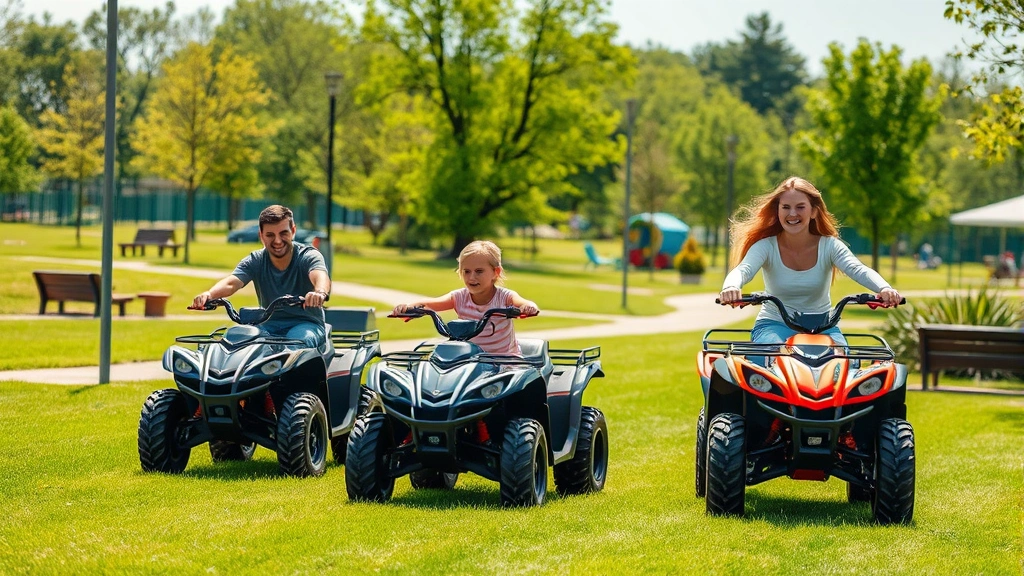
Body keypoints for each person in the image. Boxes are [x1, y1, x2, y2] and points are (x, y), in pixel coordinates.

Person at [719, 177, 901, 360]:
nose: (792, 214)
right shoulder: (766, 246)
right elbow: (743, 269)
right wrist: (731, 287)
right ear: (777, 211)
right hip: (773, 325)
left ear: (814, 211)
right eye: (786, 207)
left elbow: (858, 269)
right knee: (772, 361)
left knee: (844, 363)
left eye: (800, 207)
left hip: (824, 328)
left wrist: (884, 288)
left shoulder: (830, 246)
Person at [192, 205, 331, 348]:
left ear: (293, 231)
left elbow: (320, 275)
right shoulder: (256, 260)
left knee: (296, 343)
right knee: (233, 339)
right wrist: (209, 295)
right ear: (261, 236)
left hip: (306, 325)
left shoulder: (307, 256)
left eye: (283, 233)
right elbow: (232, 283)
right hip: (267, 325)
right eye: (270, 235)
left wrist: (319, 292)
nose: (277, 241)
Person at [392, 240, 540, 355]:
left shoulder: (504, 297)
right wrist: (407, 307)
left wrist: (527, 307)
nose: (472, 277)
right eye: (466, 271)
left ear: (496, 272)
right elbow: (430, 304)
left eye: (479, 271)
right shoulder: (460, 297)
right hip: (469, 360)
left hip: (503, 362)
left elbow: (522, 303)